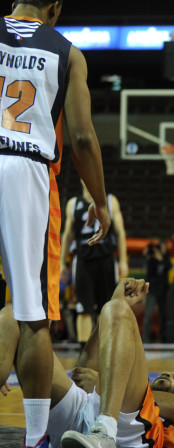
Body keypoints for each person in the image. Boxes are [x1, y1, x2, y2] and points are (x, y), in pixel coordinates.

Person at [0, 2, 111, 446]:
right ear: (55, 8)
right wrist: (99, 201)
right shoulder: (67, 53)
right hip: (26, 172)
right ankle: (35, 438)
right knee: (32, 316)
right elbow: (82, 138)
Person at [0, 278, 174, 448]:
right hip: (83, 415)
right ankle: (36, 439)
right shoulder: (118, 389)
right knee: (17, 317)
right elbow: (81, 371)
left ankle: (105, 430)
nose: (168, 375)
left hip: (130, 435)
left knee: (119, 310)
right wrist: (109, 306)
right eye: (165, 375)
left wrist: (103, 381)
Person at [61, 183, 127, 351]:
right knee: (83, 307)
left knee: (106, 307)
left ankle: (105, 348)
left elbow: (120, 232)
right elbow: (68, 235)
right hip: (83, 259)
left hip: (106, 258)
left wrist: (123, 261)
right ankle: (84, 350)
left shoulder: (110, 201)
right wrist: (62, 262)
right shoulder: (73, 203)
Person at [142, 239, 172, 342]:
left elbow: (169, 266)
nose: (163, 249)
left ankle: (164, 338)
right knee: (148, 316)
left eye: (165, 247)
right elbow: (149, 273)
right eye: (162, 247)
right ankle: (145, 338)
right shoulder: (152, 259)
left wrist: (160, 258)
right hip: (153, 291)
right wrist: (149, 255)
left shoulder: (166, 259)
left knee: (164, 316)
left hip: (163, 291)